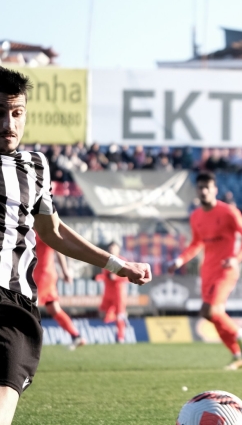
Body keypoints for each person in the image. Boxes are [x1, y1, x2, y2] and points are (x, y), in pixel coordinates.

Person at [0, 67, 152, 425]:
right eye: (0, 113)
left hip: (12, 304)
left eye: (17, 112)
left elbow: (54, 232)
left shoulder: (35, 166)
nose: (9, 123)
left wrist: (118, 264)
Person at [168, 171, 242, 370]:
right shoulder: (196, 216)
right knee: (211, 315)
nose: (204, 191)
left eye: (207, 187)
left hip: (226, 270)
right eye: (200, 188)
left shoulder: (228, 212)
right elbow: (196, 243)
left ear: (215, 189)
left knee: (209, 310)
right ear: (197, 190)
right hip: (207, 271)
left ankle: (241, 333)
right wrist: (180, 260)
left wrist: (236, 258)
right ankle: (237, 355)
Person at [32, 232, 86, 350]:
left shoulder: (41, 230)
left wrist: (65, 271)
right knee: (53, 308)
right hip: (46, 274)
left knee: (29, 306)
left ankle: (29, 340)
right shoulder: (33, 229)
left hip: (42, 276)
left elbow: (58, 248)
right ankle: (76, 336)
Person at [95, 242, 129, 343]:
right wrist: (98, 277)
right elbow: (105, 276)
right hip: (107, 292)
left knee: (119, 315)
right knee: (102, 315)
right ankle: (123, 318)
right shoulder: (106, 260)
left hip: (118, 292)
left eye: (114, 247)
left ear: (118, 249)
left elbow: (127, 277)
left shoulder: (123, 261)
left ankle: (120, 337)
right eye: (110, 248)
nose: (112, 249)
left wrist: (116, 277)